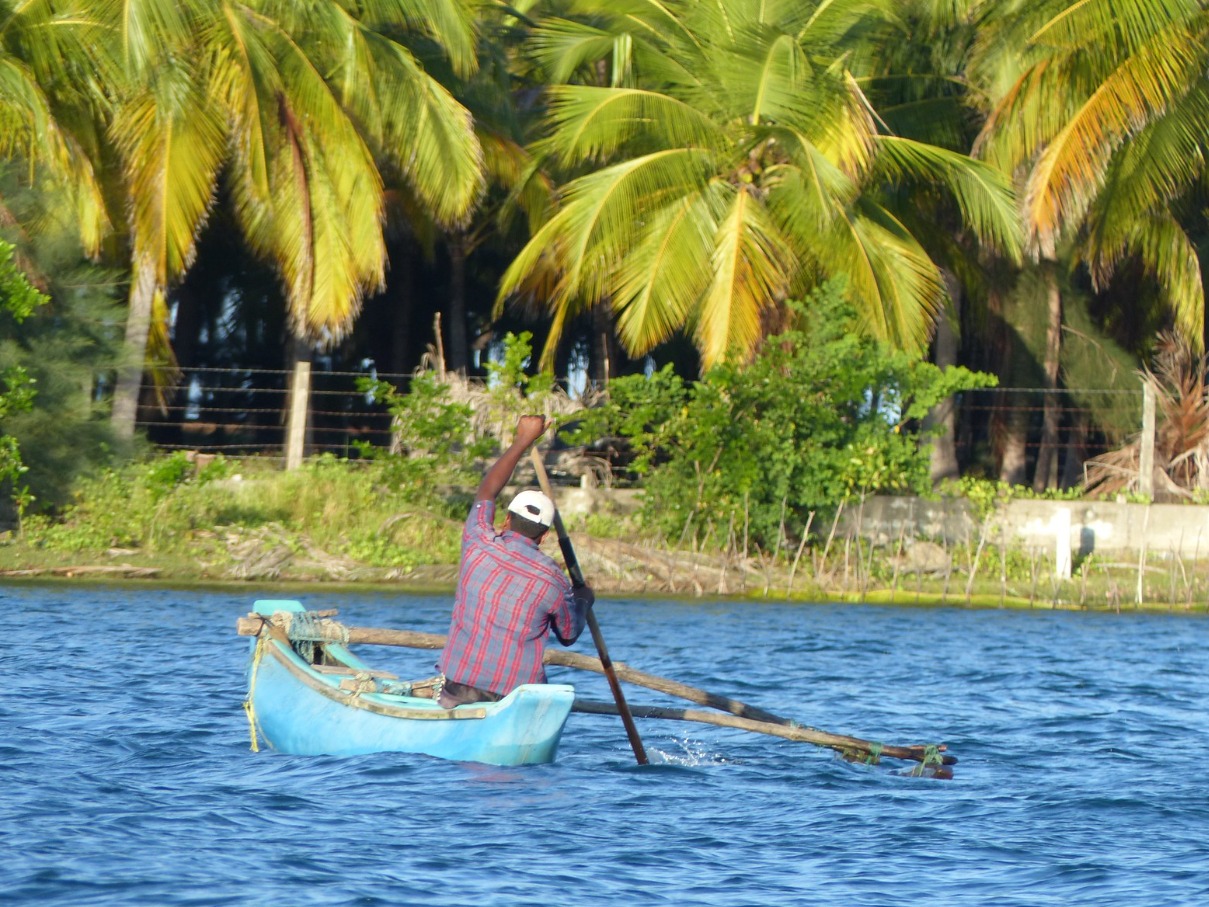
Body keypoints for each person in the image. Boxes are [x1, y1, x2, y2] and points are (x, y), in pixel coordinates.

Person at [437, 414, 595, 708]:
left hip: (459, 689)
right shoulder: (553, 580)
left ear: (506, 519)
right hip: (517, 701)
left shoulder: (479, 542)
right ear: (544, 536)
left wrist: (523, 439)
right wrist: (584, 599)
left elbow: (487, 492)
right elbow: (569, 634)